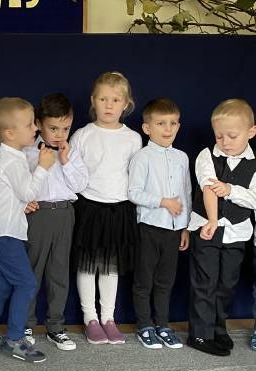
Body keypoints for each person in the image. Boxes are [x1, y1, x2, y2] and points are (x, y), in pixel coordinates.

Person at [70, 71, 142, 345]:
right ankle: (90, 318)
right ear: (93, 101)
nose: (109, 105)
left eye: (115, 100)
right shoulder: (83, 135)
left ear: (126, 104)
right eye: (103, 99)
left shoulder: (133, 138)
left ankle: (109, 318)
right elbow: (71, 172)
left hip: (119, 209)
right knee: (88, 266)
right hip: (89, 207)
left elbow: (136, 176)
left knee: (110, 266)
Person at [0, 97, 47, 362]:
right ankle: (15, 339)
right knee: (27, 283)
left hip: (0, 230)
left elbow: (11, 195)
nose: (36, 128)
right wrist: (44, 167)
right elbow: (28, 190)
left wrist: (21, 204)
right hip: (4, 234)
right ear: (10, 133)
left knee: (3, 285)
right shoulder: (12, 161)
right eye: (29, 124)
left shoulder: (9, 157)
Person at [187, 98, 256, 355]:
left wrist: (230, 190)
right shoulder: (207, 155)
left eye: (232, 136)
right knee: (205, 281)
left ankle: (218, 328)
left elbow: (254, 198)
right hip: (207, 227)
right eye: (219, 136)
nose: (225, 142)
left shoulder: (254, 164)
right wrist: (213, 221)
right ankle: (200, 334)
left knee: (227, 283)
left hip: (237, 232)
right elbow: (208, 187)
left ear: (251, 132)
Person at [23, 93, 88, 351]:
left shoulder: (72, 153)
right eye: (53, 128)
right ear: (38, 124)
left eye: (65, 128)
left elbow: (80, 185)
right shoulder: (27, 151)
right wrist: (22, 203)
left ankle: (56, 327)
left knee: (59, 272)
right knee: (32, 271)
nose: (60, 135)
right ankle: (25, 324)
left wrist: (66, 161)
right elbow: (17, 184)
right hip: (37, 215)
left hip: (64, 214)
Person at [128, 98, 191, 349]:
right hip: (149, 227)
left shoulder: (182, 157)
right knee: (144, 280)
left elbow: (187, 193)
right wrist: (163, 202)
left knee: (166, 281)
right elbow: (134, 193)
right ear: (147, 128)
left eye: (173, 123)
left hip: (174, 230)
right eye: (161, 123)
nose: (168, 128)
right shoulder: (142, 157)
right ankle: (145, 325)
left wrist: (185, 226)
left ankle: (163, 325)